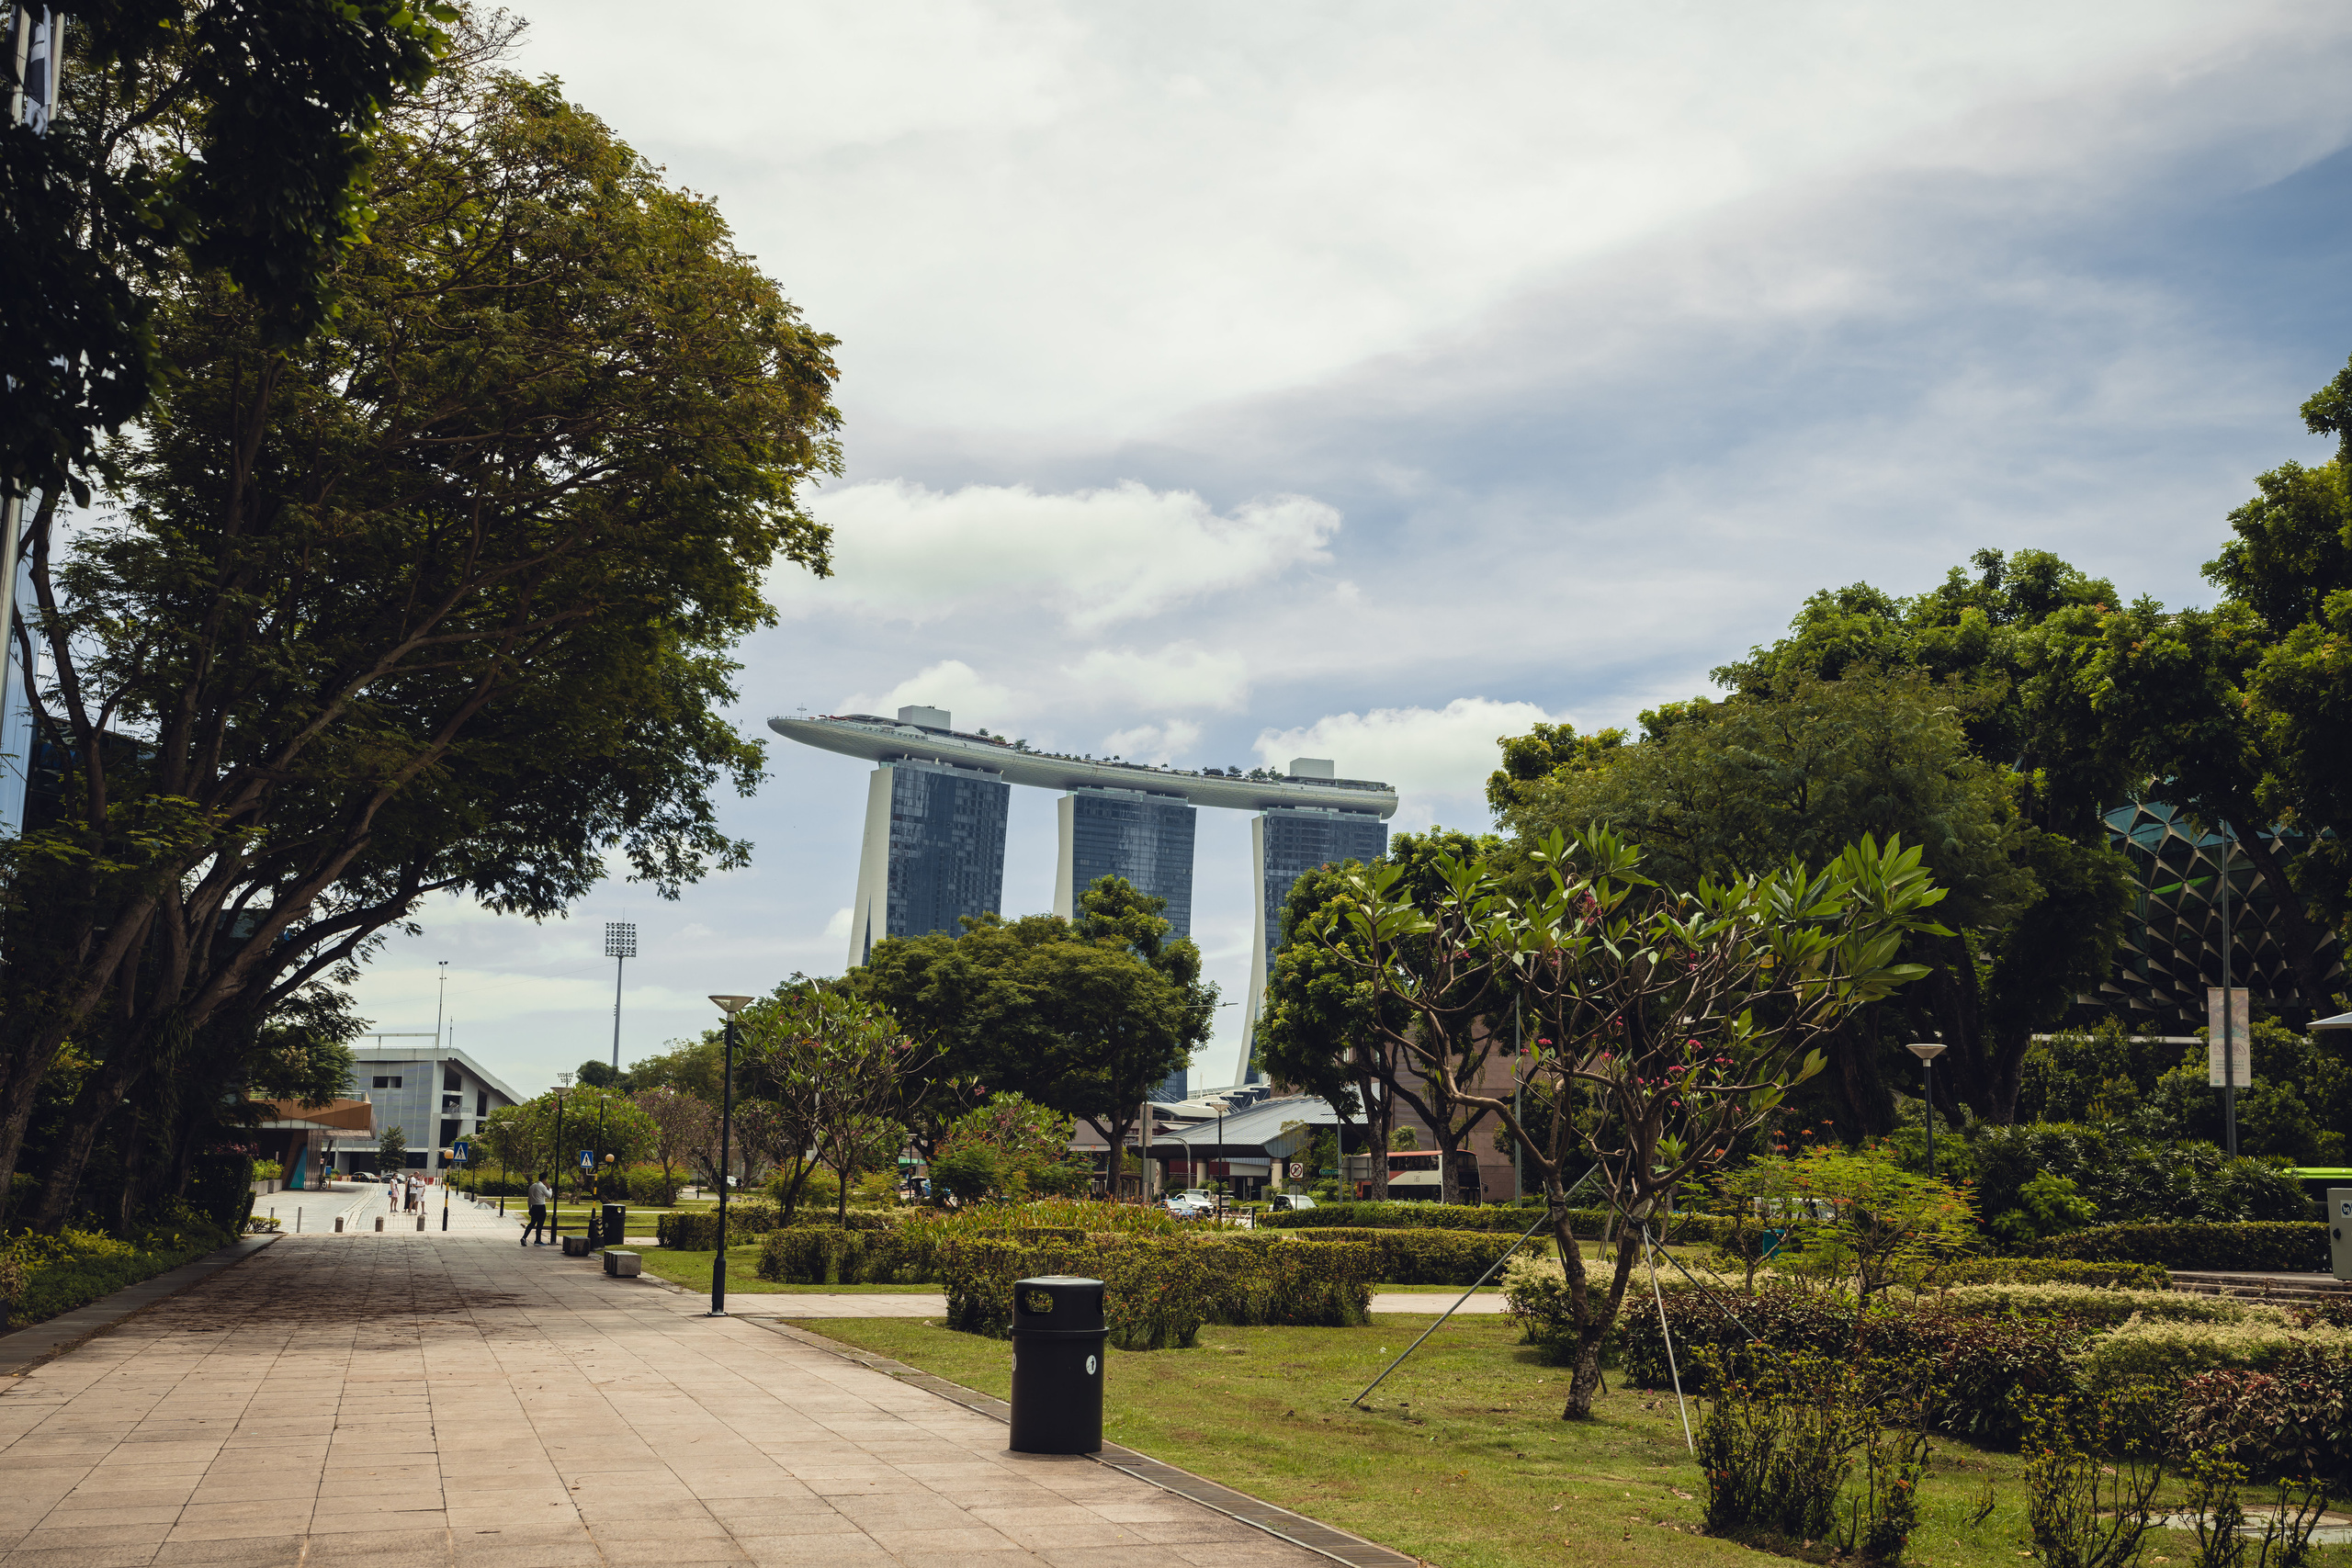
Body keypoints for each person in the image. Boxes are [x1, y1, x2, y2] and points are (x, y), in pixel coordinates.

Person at [523, 1173, 552, 1246]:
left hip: (534, 1207)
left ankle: (524, 1237)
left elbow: (529, 1199)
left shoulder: (532, 1186)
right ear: (544, 1179)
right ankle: (537, 1240)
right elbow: (549, 1195)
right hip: (541, 1207)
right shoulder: (542, 1187)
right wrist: (550, 1189)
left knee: (532, 1223)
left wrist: (530, 1208)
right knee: (540, 1224)